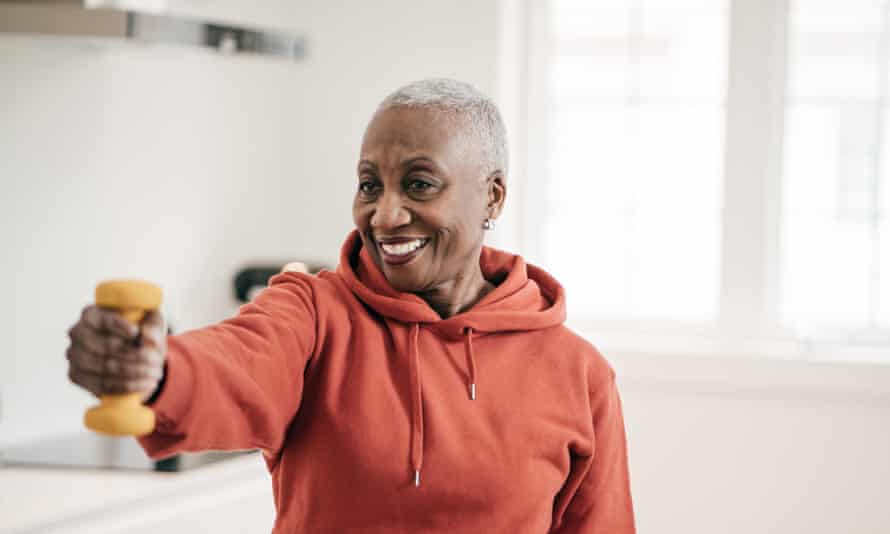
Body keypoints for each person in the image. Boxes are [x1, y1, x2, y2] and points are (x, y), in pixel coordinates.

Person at [65, 78, 636, 533]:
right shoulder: (313, 313)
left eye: (418, 184)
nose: (384, 216)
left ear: (492, 196)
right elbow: (237, 361)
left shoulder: (579, 375)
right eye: (369, 185)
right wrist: (157, 369)